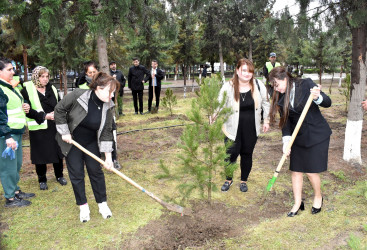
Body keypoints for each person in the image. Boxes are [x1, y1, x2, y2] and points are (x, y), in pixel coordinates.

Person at [54, 72, 119, 222]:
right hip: (72, 141)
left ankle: (102, 204)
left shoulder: (108, 106)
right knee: (77, 174)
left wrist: (108, 158)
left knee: (96, 172)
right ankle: (83, 207)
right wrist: (64, 132)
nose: (112, 95)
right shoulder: (78, 95)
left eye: (114, 92)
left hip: (91, 142)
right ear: (98, 88)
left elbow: (107, 132)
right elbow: (59, 109)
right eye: (109, 91)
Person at [269, 66, 332, 217]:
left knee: (310, 171)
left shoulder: (306, 84)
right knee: (296, 170)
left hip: (316, 134)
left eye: (277, 85)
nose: (276, 89)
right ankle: (298, 203)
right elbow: (285, 122)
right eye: (273, 86)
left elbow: (328, 102)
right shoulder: (281, 98)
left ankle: (318, 196)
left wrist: (317, 97)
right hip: (298, 136)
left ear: (285, 79)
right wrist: (286, 141)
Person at [218, 58, 270, 193]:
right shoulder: (228, 86)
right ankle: (228, 179)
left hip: (251, 129)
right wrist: (213, 116)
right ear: (237, 70)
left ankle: (243, 181)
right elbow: (219, 104)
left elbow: (266, 103)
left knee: (247, 154)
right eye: (244, 70)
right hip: (231, 128)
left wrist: (266, 120)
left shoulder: (258, 85)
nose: (247, 74)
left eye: (250, 71)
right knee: (231, 155)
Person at [21, 66, 66, 191]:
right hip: (39, 126)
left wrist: (57, 115)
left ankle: (59, 176)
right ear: (36, 77)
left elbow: (59, 104)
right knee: (40, 154)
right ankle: (42, 179)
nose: (45, 79)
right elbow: (27, 111)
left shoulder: (52, 88)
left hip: (54, 125)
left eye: (47, 76)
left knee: (57, 152)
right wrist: (45, 116)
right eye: (42, 77)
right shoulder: (27, 89)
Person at [0, 57, 35, 207]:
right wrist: (7, 136)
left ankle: (15, 191)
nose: (13, 72)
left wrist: (25, 106)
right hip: (8, 134)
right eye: (9, 69)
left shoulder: (10, 87)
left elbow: (15, 106)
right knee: (8, 166)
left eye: (13, 69)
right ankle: (10, 199)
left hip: (17, 131)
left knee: (17, 164)